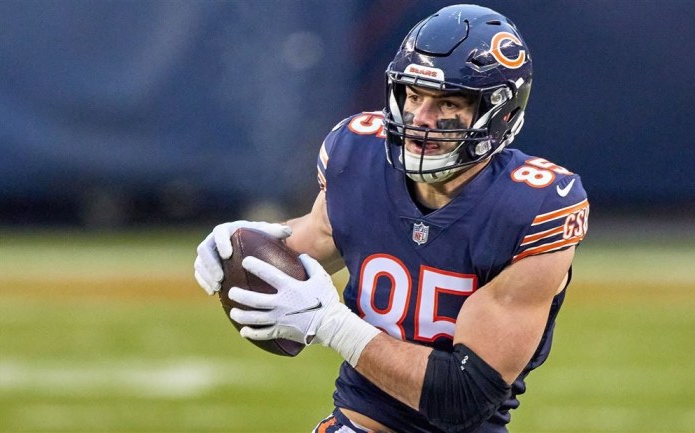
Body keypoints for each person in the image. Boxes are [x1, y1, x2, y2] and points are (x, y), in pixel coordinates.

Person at [193, 4, 589, 433]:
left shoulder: (532, 208)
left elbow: (463, 398)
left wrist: (332, 324)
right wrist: (236, 248)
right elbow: (317, 235)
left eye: (448, 102)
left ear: (502, 113)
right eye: (414, 95)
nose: (421, 118)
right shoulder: (359, 156)